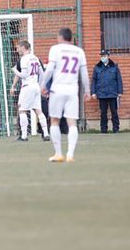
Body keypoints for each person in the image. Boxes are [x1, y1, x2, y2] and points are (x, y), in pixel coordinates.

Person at [41, 28, 90, 163]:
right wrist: (87, 90)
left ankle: (58, 154)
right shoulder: (79, 51)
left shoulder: (55, 49)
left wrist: (43, 84)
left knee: (54, 120)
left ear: (60, 37)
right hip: (72, 90)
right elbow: (84, 73)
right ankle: (70, 154)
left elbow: (50, 69)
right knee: (72, 122)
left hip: (57, 89)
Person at [10, 40, 49, 142]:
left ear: (23, 47)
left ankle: (23, 136)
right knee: (38, 110)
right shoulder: (36, 58)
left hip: (27, 87)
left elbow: (24, 75)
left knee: (22, 110)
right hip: (35, 86)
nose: (17, 50)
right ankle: (46, 134)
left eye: (18, 48)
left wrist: (14, 70)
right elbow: (42, 74)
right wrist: (40, 86)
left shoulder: (24, 59)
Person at [90, 49, 123, 134]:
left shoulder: (114, 66)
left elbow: (119, 80)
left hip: (112, 93)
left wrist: (120, 92)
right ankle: (103, 130)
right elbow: (94, 80)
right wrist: (93, 92)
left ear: (108, 56)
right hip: (102, 94)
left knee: (114, 112)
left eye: (104, 56)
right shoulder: (97, 67)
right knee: (103, 113)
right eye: (102, 56)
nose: (103, 57)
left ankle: (116, 129)